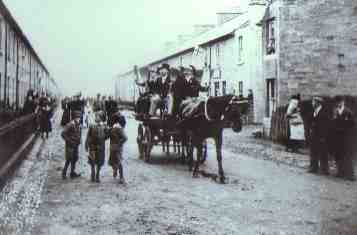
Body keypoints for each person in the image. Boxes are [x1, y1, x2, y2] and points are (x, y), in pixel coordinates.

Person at [331, 96, 355, 181]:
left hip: (346, 137)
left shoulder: (348, 112)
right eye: (337, 102)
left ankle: (350, 175)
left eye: (340, 102)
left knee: (347, 156)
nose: (339, 104)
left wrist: (344, 130)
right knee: (338, 155)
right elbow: (333, 123)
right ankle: (340, 172)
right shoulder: (335, 111)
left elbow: (352, 125)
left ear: (343, 102)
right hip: (337, 137)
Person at [85, 111, 109, 183]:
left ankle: (97, 175)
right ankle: (93, 173)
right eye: (96, 116)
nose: (96, 118)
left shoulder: (104, 126)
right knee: (92, 160)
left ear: (101, 118)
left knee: (99, 162)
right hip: (92, 146)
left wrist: (103, 138)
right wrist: (86, 145)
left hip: (101, 147)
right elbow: (88, 135)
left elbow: (107, 135)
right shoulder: (92, 125)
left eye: (97, 117)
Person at [308, 96, 330, 175]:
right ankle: (314, 167)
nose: (312, 103)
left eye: (313, 102)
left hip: (321, 136)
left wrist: (323, 136)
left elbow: (326, 126)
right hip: (314, 135)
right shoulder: (314, 111)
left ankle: (325, 170)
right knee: (313, 152)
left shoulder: (324, 112)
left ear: (317, 103)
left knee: (323, 153)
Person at [61, 111, 82, 179]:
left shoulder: (77, 124)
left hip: (76, 145)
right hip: (70, 145)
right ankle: (64, 173)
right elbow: (63, 134)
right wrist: (69, 141)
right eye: (77, 118)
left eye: (79, 117)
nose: (79, 119)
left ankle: (72, 173)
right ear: (74, 118)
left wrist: (79, 140)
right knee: (69, 159)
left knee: (75, 158)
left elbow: (78, 133)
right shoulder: (70, 124)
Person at [109, 112, 128, 184]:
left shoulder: (118, 128)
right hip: (112, 147)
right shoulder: (113, 128)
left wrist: (118, 144)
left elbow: (125, 138)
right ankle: (115, 170)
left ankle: (121, 177)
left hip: (117, 148)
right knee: (113, 160)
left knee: (119, 161)